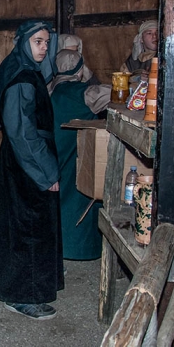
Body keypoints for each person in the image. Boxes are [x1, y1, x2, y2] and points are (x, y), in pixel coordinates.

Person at [0, 20, 63, 320]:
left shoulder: (24, 69)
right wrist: (47, 173)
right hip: (27, 163)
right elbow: (22, 134)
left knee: (23, 227)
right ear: (23, 43)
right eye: (38, 42)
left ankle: (19, 288)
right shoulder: (21, 78)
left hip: (24, 159)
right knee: (29, 229)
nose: (43, 48)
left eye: (46, 42)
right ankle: (23, 296)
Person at [49, 49, 111, 261]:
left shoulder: (52, 89)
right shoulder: (82, 92)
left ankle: (59, 245)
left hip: (55, 148)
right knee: (80, 192)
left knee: (61, 194)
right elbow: (111, 94)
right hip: (75, 150)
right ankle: (79, 248)